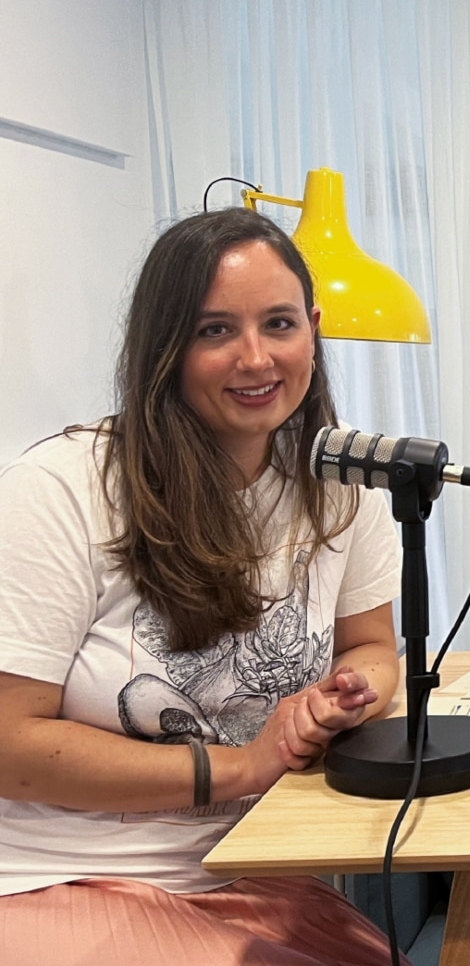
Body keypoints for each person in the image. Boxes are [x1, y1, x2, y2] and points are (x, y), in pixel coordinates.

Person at [0, 208, 407, 965]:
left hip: (251, 864)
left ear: (313, 330)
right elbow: (9, 743)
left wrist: (348, 693)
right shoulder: (60, 490)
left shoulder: (341, 491)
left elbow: (373, 646)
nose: (256, 358)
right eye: (215, 330)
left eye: (279, 324)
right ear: (165, 347)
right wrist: (243, 766)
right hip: (55, 873)